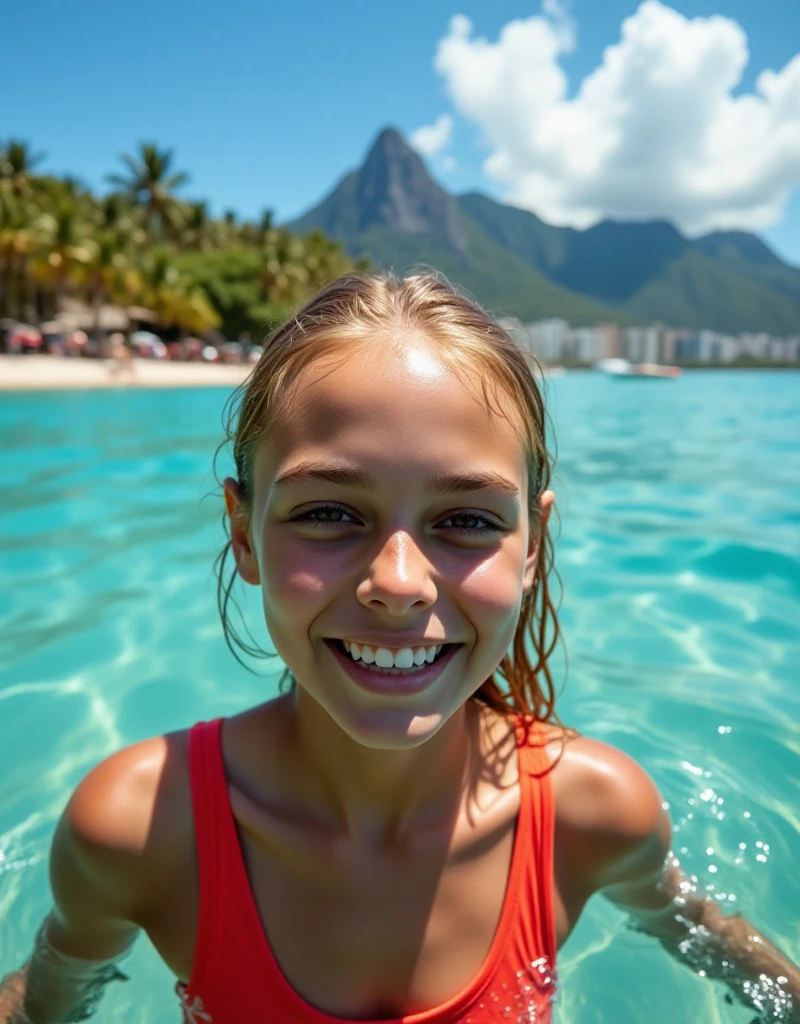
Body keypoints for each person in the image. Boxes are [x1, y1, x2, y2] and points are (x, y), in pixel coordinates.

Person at [1, 272, 797, 1024]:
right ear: (242, 532)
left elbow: (712, 938)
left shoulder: (596, 812)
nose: (401, 582)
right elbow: (47, 999)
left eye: (470, 521)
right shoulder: (141, 828)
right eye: (329, 513)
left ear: (533, 546)